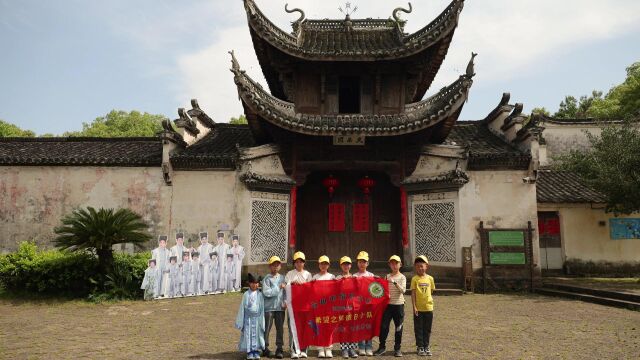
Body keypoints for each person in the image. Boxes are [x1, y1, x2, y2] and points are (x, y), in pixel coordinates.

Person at [374, 255, 407, 357]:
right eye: (392, 263)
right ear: (389, 265)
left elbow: (403, 290)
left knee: (398, 327)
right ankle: (382, 347)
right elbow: (382, 289)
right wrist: (378, 281)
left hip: (399, 305)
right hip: (388, 306)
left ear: (400, 264)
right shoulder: (387, 276)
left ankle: (397, 348)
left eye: (396, 263)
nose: (394, 265)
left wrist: (394, 282)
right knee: (384, 327)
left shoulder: (402, 277)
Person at [285, 251, 313, 359]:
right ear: (294, 263)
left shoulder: (308, 274)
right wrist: (292, 284)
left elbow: (311, 289)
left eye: (301, 261)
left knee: (305, 328)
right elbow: (286, 287)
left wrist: (303, 286)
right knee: (293, 328)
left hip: (305, 306)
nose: (299, 264)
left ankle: (304, 349)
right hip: (293, 306)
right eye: (297, 262)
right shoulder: (289, 274)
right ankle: (293, 350)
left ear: (304, 263)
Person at [235, 273, 266, 360]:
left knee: (256, 335)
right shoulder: (245, 294)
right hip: (248, 319)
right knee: (248, 335)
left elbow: (262, 308)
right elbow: (242, 308)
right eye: (252, 282)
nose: (254, 285)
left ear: (258, 284)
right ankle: (249, 352)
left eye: (256, 283)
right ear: (249, 283)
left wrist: (261, 320)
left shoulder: (260, 295)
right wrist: (241, 321)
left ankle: (256, 351)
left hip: (257, 318)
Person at [262, 256, 286, 359]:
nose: (275, 267)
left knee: (280, 329)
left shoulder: (283, 278)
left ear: (280, 266)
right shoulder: (266, 278)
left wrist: (285, 302)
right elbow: (266, 292)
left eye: (277, 265)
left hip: (280, 308)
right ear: (270, 266)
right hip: (269, 308)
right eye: (273, 265)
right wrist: (278, 287)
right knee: (266, 328)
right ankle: (265, 348)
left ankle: (279, 348)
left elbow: (285, 292)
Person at [411, 255, 435, 357]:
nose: (420, 268)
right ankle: (420, 346)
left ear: (426, 266)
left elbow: (431, 290)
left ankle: (426, 345)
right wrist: (414, 307)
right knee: (418, 328)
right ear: (415, 267)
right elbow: (413, 293)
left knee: (427, 328)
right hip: (418, 309)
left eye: (422, 266)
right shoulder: (414, 279)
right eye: (418, 266)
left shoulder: (430, 278)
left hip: (429, 308)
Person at [312, 255, 336, 358]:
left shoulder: (332, 277)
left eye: (325, 263)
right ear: (319, 265)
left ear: (328, 265)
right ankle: (320, 348)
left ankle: (328, 347)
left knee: (329, 327)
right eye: (322, 263)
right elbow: (310, 292)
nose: (323, 265)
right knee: (319, 327)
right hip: (318, 306)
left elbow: (336, 291)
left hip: (329, 306)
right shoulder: (315, 277)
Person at [353, 251, 374, 356]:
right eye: (360, 261)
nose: (362, 264)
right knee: (361, 326)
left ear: (367, 263)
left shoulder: (371, 275)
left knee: (368, 326)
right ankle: (361, 346)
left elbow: (375, 290)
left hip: (368, 305)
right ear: (357, 263)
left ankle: (369, 346)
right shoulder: (354, 276)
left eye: (364, 262)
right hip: (358, 305)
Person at [335, 256, 357, 359]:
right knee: (343, 328)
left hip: (353, 307)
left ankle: (352, 349)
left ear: (351, 265)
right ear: (341, 265)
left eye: (348, 264)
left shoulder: (355, 278)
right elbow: (333, 292)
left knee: (352, 328)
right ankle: (344, 349)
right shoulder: (337, 278)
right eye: (344, 264)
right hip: (342, 308)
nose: (346, 266)